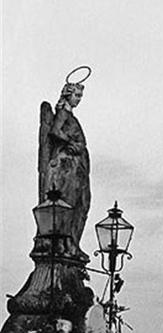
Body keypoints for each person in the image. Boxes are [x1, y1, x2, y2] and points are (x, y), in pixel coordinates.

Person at [37, 82, 91, 262]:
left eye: (80, 97)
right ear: (68, 95)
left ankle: (70, 243)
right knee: (69, 204)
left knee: (80, 203)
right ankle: (64, 243)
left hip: (75, 165)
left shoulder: (70, 115)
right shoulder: (63, 113)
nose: (79, 100)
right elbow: (54, 131)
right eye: (76, 96)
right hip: (66, 166)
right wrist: (71, 142)